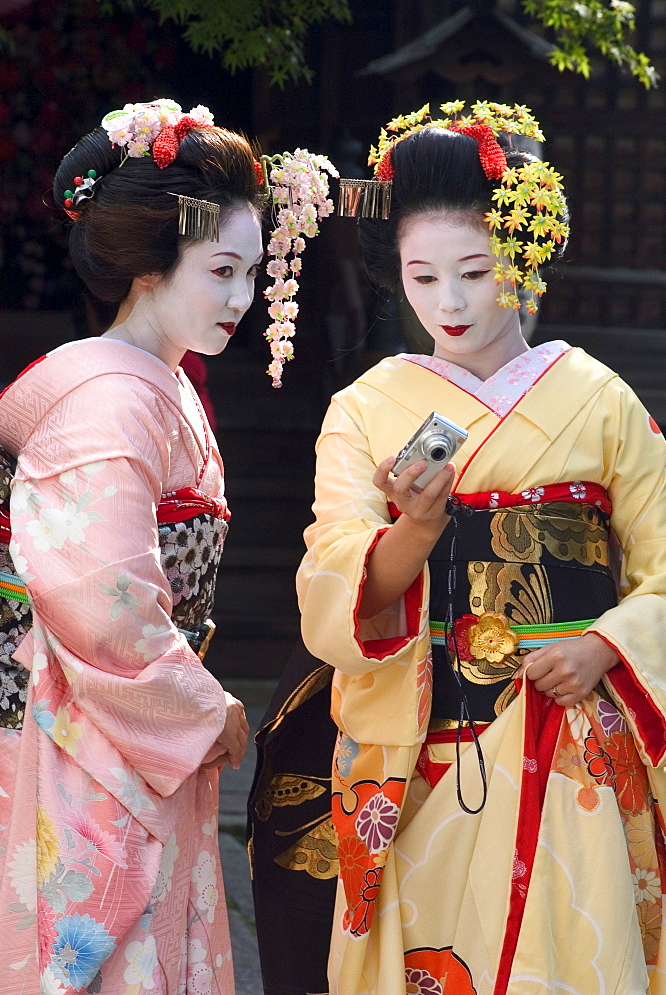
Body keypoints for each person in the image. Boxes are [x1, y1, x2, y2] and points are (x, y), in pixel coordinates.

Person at [253, 101, 666, 995]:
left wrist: (606, 644)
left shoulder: (600, 400)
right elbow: (333, 577)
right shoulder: (365, 408)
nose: (450, 303)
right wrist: (418, 529)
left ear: (520, 255)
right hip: (419, 749)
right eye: (423, 276)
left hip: (572, 744)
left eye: (475, 272)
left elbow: (663, 566)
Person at [0, 99, 262, 995]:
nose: (241, 299)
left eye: (252, 274)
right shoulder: (109, 403)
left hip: (124, 734)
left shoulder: (159, 386)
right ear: (150, 267)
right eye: (221, 270)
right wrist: (204, 709)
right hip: (85, 734)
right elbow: (103, 604)